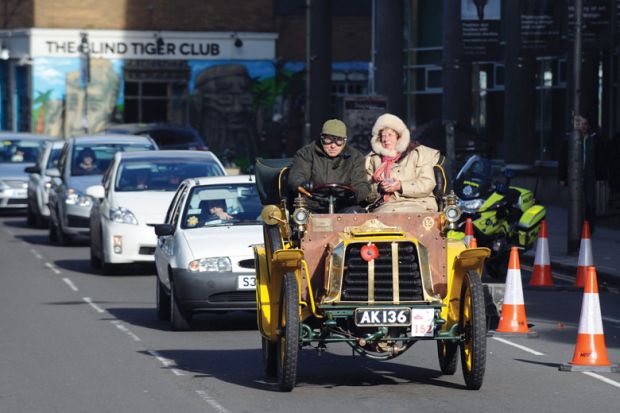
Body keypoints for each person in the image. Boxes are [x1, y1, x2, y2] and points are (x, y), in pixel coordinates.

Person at [288, 119, 370, 211]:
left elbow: (362, 184)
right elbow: (296, 175)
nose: (333, 146)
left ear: (344, 141)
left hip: (344, 204)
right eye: (328, 140)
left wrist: (356, 194)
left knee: (355, 214)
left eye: (338, 140)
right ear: (322, 138)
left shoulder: (355, 157)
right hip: (312, 204)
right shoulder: (306, 153)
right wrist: (303, 184)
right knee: (301, 217)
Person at [365, 113, 440, 212]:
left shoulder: (419, 153)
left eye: (390, 135)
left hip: (418, 204)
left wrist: (400, 186)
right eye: (382, 136)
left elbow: (427, 184)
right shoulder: (373, 159)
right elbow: (365, 193)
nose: (386, 139)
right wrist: (378, 187)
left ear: (399, 137)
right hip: (385, 206)